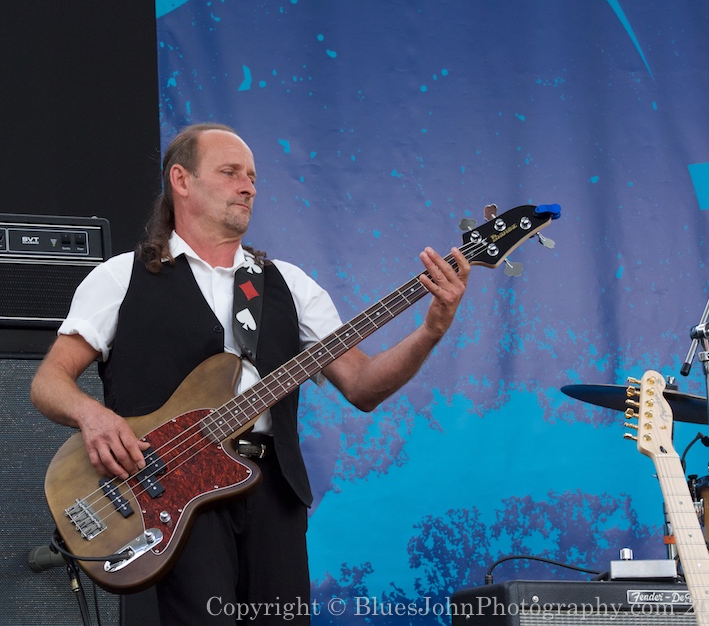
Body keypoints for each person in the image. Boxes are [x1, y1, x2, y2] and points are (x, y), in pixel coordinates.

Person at [30, 122, 469, 625]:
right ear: (181, 180)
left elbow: (364, 386)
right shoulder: (119, 277)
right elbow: (48, 383)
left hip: (272, 494)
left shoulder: (291, 284)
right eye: (231, 172)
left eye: (254, 177)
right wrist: (93, 415)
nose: (249, 186)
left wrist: (431, 330)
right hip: (162, 496)